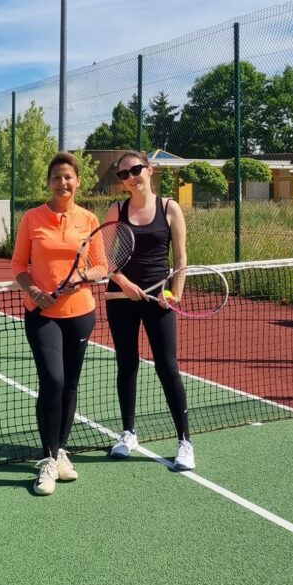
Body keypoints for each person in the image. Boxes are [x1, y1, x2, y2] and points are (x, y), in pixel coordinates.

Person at [12, 151, 103, 496]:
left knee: (70, 385)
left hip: (80, 313)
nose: (62, 183)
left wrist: (83, 275)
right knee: (53, 380)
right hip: (42, 315)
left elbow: (101, 266)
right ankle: (48, 459)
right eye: (56, 177)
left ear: (78, 182)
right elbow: (18, 266)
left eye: (68, 177)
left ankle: (61, 450)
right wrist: (35, 292)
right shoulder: (32, 219)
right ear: (48, 182)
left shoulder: (89, 219)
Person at [104, 151, 195, 471]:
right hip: (120, 298)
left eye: (135, 170)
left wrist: (175, 294)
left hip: (160, 300)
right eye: (123, 174)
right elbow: (105, 259)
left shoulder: (170, 208)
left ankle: (184, 441)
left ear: (149, 169)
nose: (130, 177)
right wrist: (124, 283)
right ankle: (128, 433)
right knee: (126, 364)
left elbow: (181, 258)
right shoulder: (116, 210)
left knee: (167, 367)